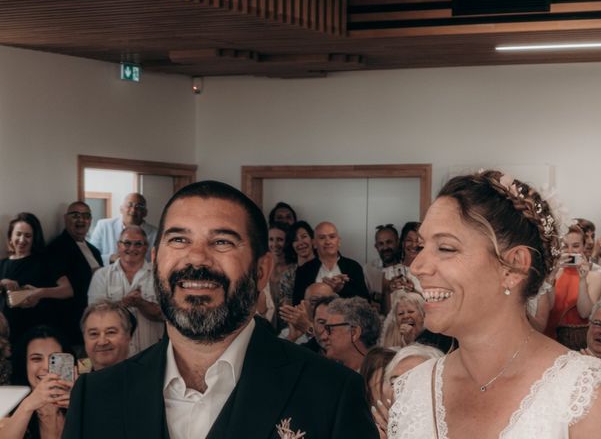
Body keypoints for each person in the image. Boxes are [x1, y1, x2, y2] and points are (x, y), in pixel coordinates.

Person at [63, 180, 377, 438]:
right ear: (156, 260)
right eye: (179, 240)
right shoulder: (95, 396)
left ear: (261, 270)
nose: (197, 258)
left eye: (222, 242)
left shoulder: (331, 392)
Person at [387, 170, 601, 439]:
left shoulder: (584, 395)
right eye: (421, 246)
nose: (418, 266)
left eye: (445, 248)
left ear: (513, 267)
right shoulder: (413, 389)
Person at [87, 226, 163, 356]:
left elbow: (165, 315)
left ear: (146, 247)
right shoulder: (102, 275)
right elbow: (95, 317)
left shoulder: (160, 276)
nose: (132, 248)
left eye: (138, 244)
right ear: (118, 246)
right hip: (115, 356)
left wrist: (141, 303)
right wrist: (123, 303)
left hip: (152, 352)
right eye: (127, 243)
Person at [0, 213, 73, 343]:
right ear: (11, 236)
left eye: (28, 236)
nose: (22, 240)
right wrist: (2, 283)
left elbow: (67, 290)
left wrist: (39, 293)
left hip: (35, 334)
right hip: (5, 338)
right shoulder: (2, 264)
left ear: (34, 239)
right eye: (18, 234)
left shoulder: (45, 261)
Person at [541, 224, 601, 349]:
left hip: (575, 343)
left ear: (584, 247)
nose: (571, 251)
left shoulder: (596, 275)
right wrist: (551, 276)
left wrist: (582, 280)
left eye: (576, 246)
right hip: (547, 337)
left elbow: (584, 313)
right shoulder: (552, 272)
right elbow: (548, 307)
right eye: (565, 246)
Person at [47, 201, 103, 347]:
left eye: (86, 216)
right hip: (69, 324)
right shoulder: (56, 248)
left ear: (90, 220)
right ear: (66, 218)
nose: (81, 220)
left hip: (95, 320)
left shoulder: (94, 250)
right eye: (75, 215)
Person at [2, 326, 74, 439]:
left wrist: (80, 407)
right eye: (36, 359)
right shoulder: (8, 408)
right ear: (24, 365)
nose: (46, 367)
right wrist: (29, 405)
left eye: (54, 359)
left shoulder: (81, 403)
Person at [292, 221, 369, 305]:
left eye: (332, 237)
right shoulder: (304, 270)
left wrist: (342, 288)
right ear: (314, 243)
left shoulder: (353, 267)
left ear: (339, 241)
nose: (328, 242)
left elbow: (366, 302)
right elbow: (297, 304)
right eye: (322, 238)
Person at [90, 193, 158, 264]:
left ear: (145, 212)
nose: (133, 210)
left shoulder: (155, 234)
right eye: (129, 205)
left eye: (139, 206)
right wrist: (110, 258)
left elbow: (157, 261)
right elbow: (91, 256)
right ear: (121, 209)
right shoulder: (104, 226)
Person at [319, 297, 381, 372]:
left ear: (354, 333)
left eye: (330, 329)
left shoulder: (382, 374)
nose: (323, 337)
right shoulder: (331, 373)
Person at [81, 300, 135, 371]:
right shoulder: (77, 380)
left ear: (128, 336)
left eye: (110, 332)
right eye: (94, 334)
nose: (102, 342)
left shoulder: (148, 377)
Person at [364, 225, 400, 309]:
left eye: (389, 242)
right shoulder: (368, 269)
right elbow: (364, 299)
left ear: (398, 242)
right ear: (376, 247)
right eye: (381, 244)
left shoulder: (408, 267)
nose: (385, 247)